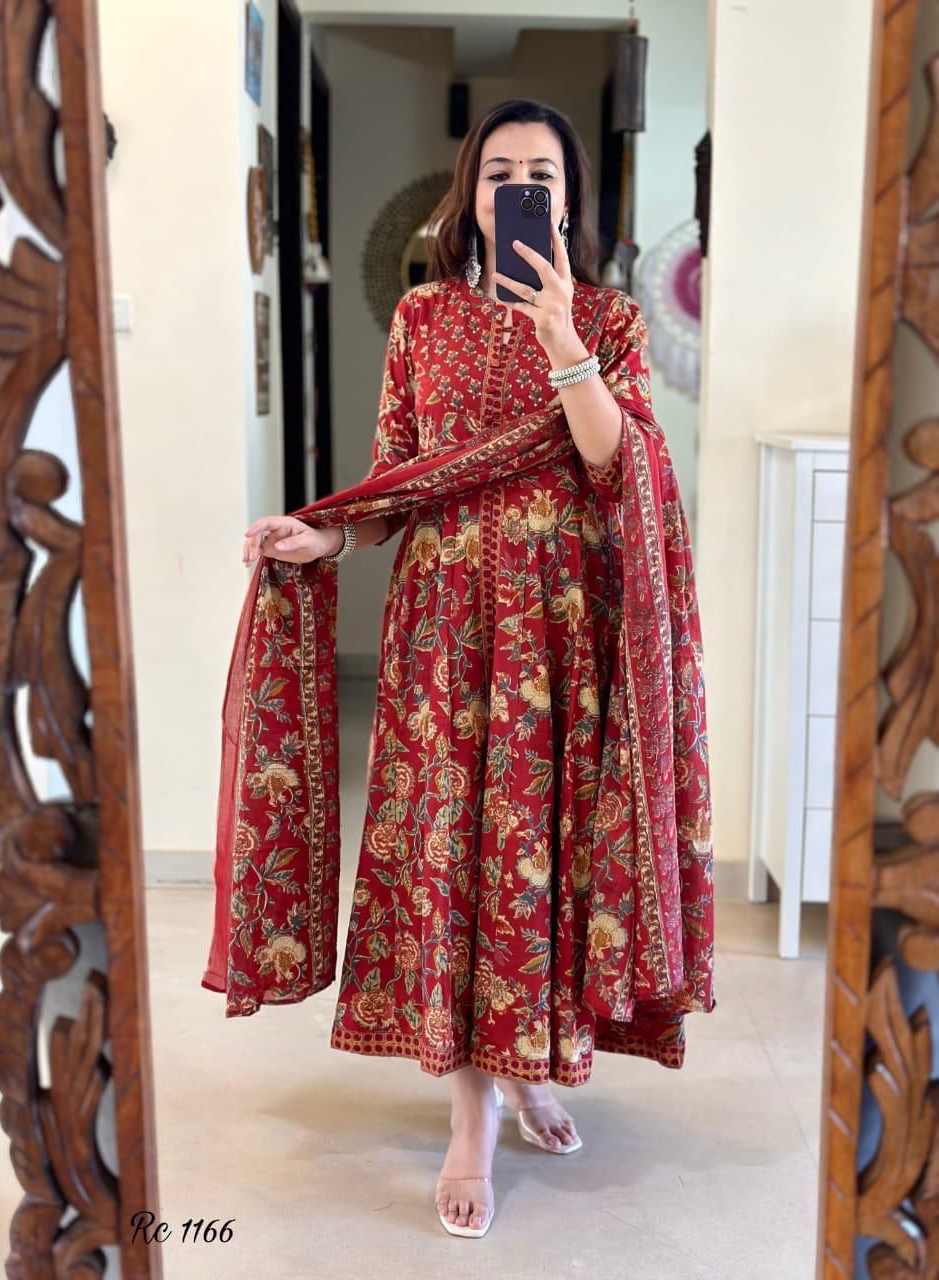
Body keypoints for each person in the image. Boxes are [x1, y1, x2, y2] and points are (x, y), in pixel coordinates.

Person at [217, 99, 714, 1240]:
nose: (517, 187)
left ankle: (531, 1064)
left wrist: (564, 340)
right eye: (499, 171)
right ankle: (469, 1113)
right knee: (454, 852)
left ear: (568, 199)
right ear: (471, 194)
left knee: (539, 856)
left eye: (540, 171)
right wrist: (321, 535)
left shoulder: (610, 318)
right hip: (443, 635)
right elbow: (397, 483)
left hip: (562, 637)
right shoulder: (423, 317)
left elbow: (619, 463)